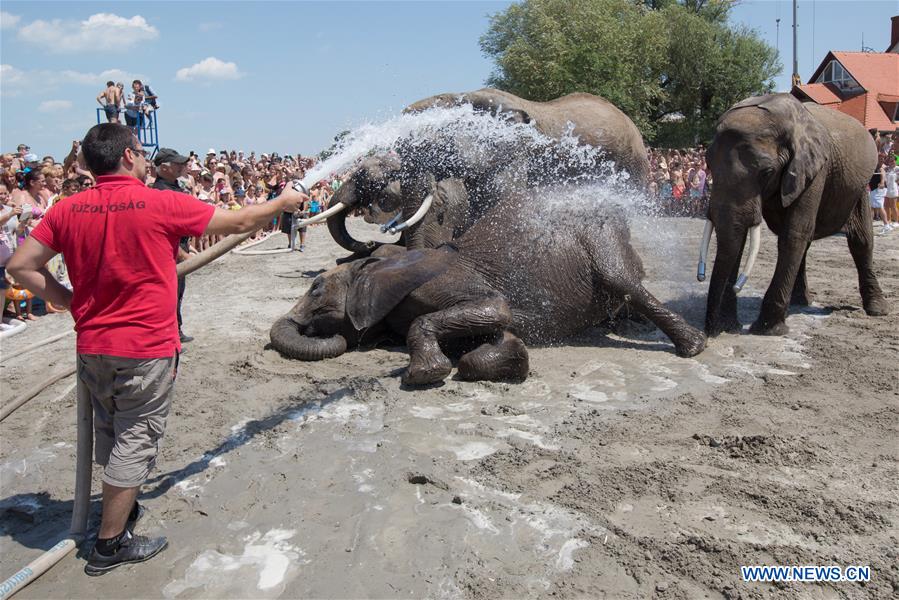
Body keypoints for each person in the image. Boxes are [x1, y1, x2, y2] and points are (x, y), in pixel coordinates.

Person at [6, 123, 306, 576]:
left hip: (92, 345)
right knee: (136, 438)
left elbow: (20, 266)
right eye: (142, 153)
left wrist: (70, 302)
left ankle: (120, 509)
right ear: (128, 155)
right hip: (145, 348)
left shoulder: (66, 209)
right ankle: (109, 545)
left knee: (110, 429)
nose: (146, 160)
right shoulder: (160, 202)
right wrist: (283, 202)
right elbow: (242, 222)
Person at [151, 148, 194, 342]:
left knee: (177, 293)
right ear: (164, 168)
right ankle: (169, 334)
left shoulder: (174, 187)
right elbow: (164, 230)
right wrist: (181, 253)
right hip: (170, 249)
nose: (182, 166)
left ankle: (176, 329)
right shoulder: (161, 192)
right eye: (177, 164)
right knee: (169, 293)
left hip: (181, 244)